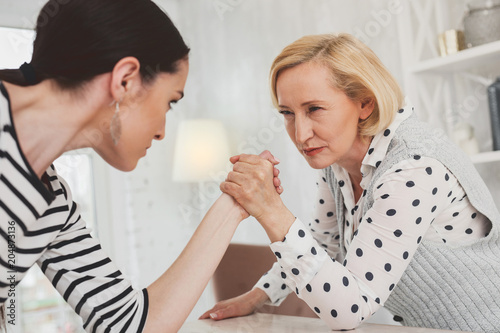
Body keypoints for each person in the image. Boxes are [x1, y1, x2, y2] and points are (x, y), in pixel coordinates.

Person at [0, 1, 283, 332]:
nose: (162, 131)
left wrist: (235, 203)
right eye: (170, 102)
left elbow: (130, 324)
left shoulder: (51, 202)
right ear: (125, 81)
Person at [202, 33, 500, 332]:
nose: (301, 134)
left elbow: (349, 310)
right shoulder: (338, 162)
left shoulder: (414, 169)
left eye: (314, 109)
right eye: (288, 113)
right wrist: (258, 297)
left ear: (365, 104)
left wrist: (270, 211)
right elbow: (323, 242)